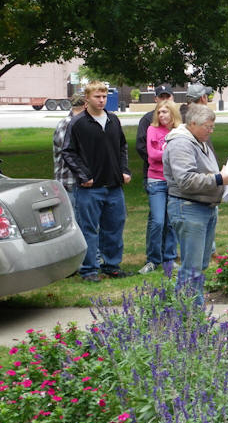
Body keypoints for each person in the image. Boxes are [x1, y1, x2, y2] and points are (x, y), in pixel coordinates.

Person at [163, 104, 228, 306]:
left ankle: (187, 307)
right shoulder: (181, 144)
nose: (211, 131)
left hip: (204, 207)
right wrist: (219, 178)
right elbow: (185, 180)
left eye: (213, 126)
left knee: (200, 263)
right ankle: (190, 312)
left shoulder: (199, 140)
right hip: (188, 208)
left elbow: (203, 171)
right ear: (192, 123)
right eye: (208, 127)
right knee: (192, 267)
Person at [61, 82, 132, 282]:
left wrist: (124, 170)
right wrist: (84, 176)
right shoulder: (78, 123)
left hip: (114, 186)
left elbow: (122, 147)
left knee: (114, 227)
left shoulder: (113, 120)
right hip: (90, 188)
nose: (101, 100)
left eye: (104, 96)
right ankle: (89, 270)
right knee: (89, 229)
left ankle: (111, 266)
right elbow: (68, 152)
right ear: (87, 98)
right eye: (97, 97)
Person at [138, 99, 181, 276]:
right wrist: (171, 153)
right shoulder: (152, 129)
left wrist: (166, 153)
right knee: (157, 221)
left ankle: (169, 258)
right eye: (159, 112)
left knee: (171, 222)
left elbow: (182, 153)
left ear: (172, 113)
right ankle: (153, 259)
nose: (161, 115)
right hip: (156, 180)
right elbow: (152, 155)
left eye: (165, 111)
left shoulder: (179, 131)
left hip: (173, 181)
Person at [52, 94, 86, 206]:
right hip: (70, 184)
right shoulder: (67, 124)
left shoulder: (81, 122)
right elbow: (70, 153)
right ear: (86, 105)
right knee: (74, 216)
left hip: (80, 184)